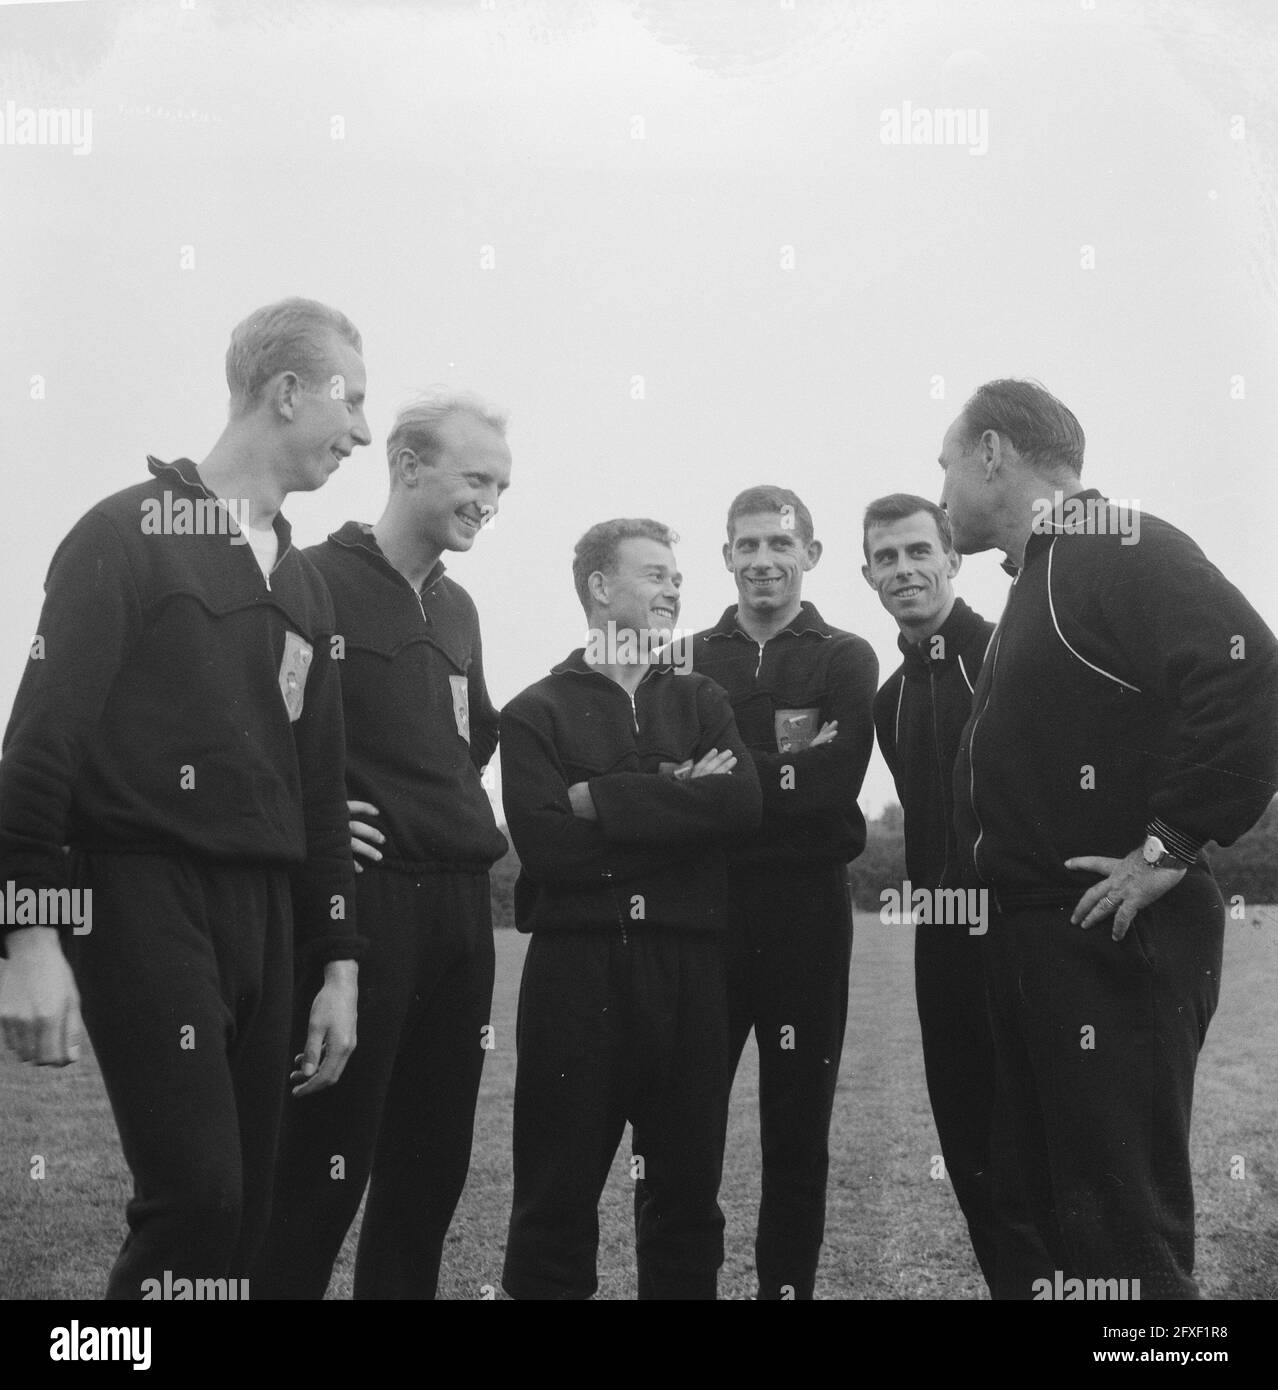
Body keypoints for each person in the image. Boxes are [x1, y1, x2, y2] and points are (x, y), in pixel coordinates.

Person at [0, 297, 369, 1298]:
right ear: (286, 391)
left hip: (269, 917)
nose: (364, 432)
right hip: (139, 895)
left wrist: (337, 962)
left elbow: (320, 792)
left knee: (246, 1212)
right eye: (352, 399)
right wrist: (28, 937)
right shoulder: (124, 535)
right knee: (197, 1199)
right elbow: (38, 747)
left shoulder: (306, 586)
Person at [939, 377, 1278, 1299]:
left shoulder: (1113, 543)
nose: (941, 489)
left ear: (993, 454)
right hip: (1043, 941)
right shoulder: (1043, 577)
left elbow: (1250, 676)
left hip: (1110, 936)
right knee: (1053, 1221)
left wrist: (1168, 849)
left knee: (1124, 1240)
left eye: (946, 463)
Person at [253, 393, 512, 1299]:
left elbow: (474, 735)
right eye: (475, 478)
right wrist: (312, 812)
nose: (490, 500)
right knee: (322, 1172)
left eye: (501, 486)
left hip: (460, 915)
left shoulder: (462, 608)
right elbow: (253, 726)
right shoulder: (310, 578)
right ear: (406, 465)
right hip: (363, 909)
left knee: (429, 1175)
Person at [499, 518, 761, 1300]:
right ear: (599, 588)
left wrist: (604, 802)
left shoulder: (701, 696)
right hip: (576, 972)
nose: (674, 588)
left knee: (686, 1195)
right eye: (654, 574)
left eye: (677, 577)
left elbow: (742, 805)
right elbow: (548, 850)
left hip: (687, 968)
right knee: (556, 1191)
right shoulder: (534, 711)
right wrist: (682, 799)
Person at [692, 486, 877, 1300]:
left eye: (780, 543)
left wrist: (721, 774)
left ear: (811, 554)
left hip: (807, 910)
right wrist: (771, 777)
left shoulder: (845, 654)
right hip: (705, 909)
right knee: (684, 1119)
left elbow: (836, 784)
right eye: (747, 544)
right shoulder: (688, 655)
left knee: (796, 1129)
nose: (763, 559)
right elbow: (664, 779)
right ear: (725, 555)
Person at [864, 491, 1038, 1293]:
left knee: (1040, 1153)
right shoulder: (887, 700)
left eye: (917, 552)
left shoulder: (1008, 653)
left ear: (951, 559)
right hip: (942, 943)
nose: (904, 570)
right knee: (971, 1156)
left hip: (1026, 936)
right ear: (868, 574)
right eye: (887, 558)